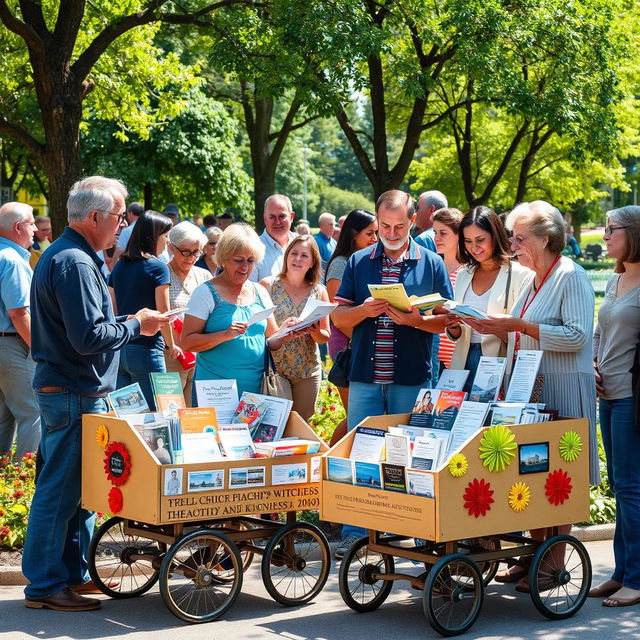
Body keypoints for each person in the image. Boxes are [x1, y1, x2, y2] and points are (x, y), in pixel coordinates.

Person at [23, 176, 168, 611]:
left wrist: (126, 320)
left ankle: (69, 574)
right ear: (94, 217)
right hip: (73, 390)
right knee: (61, 490)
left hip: (72, 388)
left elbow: (85, 329)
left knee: (78, 490)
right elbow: (89, 337)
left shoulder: (72, 256)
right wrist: (136, 325)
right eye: (120, 216)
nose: (124, 224)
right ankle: (47, 585)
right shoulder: (76, 262)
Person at [464, 200, 598, 590]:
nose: (514, 244)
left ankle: (553, 562)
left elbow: (577, 336)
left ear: (546, 237)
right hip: (532, 386)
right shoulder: (533, 278)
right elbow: (523, 332)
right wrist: (491, 326)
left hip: (562, 383)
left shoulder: (569, 275)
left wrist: (519, 324)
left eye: (520, 238)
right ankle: (532, 556)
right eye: (512, 237)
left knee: (559, 474)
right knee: (535, 472)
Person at [332, 190, 453, 559]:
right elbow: (338, 317)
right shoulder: (358, 261)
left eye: (400, 225)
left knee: (412, 454)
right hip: (366, 376)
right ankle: (357, 533)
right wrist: (364, 311)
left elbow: (447, 320)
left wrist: (418, 320)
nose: (392, 232)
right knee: (362, 454)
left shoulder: (430, 262)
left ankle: (415, 528)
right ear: (377, 220)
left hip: (411, 377)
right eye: (385, 225)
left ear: (414, 220)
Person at [590, 205, 640, 607]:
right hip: (608, 396)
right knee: (621, 487)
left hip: (632, 400)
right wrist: (592, 363)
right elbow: (598, 332)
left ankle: (636, 580)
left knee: (630, 487)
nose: (605, 236)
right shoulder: (616, 279)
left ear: (635, 234)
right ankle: (622, 572)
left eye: (612, 230)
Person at [181, 223, 291, 399]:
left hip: (256, 393)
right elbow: (187, 343)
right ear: (223, 259)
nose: (245, 267)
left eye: (251, 260)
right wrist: (225, 334)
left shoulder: (260, 291)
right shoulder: (205, 292)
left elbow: (271, 340)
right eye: (239, 260)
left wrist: (286, 332)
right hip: (216, 393)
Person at [446, 206, 532, 389]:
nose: (474, 248)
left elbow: (525, 332)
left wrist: (492, 328)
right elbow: (460, 332)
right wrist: (453, 328)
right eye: (468, 241)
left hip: (499, 361)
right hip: (463, 360)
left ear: (495, 235)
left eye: (480, 240)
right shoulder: (463, 274)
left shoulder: (521, 274)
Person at [108, 211, 175, 409]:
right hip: (148, 348)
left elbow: (113, 309)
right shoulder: (158, 267)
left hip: (121, 347)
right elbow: (164, 313)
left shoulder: (119, 266)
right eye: (165, 236)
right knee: (156, 413)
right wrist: (171, 345)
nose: (167, 241)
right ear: (154, 236)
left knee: (126, 414)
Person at [261, 236, 331, 420]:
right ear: (286, 256)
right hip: (276, 369)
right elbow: (263, 331)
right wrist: (284, 330)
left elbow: (325, 335)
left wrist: (314, 331)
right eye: (293, 253)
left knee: (302, 425)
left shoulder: (319, 291)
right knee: (276, 425)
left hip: (307, 371)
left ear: (312, 261)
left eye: (304, 255)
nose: (297, 259)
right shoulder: (268, 286)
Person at [324, 209, 378, 443]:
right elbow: (339, 315)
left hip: (362, 345)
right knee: (355, 418)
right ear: (353, 234)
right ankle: (325, 460)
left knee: (362, 417)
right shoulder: (340, 264)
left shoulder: (364, 260)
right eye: (370, 233)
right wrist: (367, 342)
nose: (375, 239)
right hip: (349, 346)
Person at [0, 202, 40, 459]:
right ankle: (23, 483)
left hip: (6, 345)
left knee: (3, 418)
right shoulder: (13, 260)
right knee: (33, 413)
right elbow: (19, 313)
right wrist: (39, 349)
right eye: (32, 222)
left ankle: (6, 485)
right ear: (18, 227)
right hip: (14, 346)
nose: (35, 228)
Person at [165, 221, 211, 405]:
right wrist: (170, 344)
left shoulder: (204, 276)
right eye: (185, 252)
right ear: (170, 247)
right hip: (171, 356)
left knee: (194, 415)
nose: (191, 257)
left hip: (199, 356)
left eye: (196, 252)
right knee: (171, 412)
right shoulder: (161, 275)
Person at [432, 207, 463, 371]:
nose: (436, 238)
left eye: (443, 233)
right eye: (435, 232)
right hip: (431, 355)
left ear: (459, 235)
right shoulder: (432, 268)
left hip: (457, 358)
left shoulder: (468, 272)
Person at [249, 194, 296, 282]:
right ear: (265, 218)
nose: (277, 222)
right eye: (272, 217)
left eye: (282, 216)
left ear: (291, 217)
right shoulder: (253, 249)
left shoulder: (303, 245)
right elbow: (250, 291)